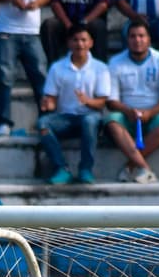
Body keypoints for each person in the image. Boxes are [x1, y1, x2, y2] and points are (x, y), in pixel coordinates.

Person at [104, 16, 159, 184]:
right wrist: (128, 111)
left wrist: (150, 112)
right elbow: (111, 100)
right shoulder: (115, 62)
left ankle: (130, 166)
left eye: (141, 36)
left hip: (154, 112)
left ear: (149, 39)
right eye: (133, 36)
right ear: (127, 39)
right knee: (112, 122)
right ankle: (145, 169)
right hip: (126, 113)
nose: (137, 40)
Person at [36, 20, 109, 184]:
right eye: (75, 40)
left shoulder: (100, 68)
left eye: (84, 40)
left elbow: (102, 103)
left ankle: (85, 169)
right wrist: (48, 104)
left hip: (90, 117)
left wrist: (87, 101)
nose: (80, 44)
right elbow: (52, 101)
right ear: (69, 43)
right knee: (43, 124)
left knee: (90, 121)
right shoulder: (57, 68)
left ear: (91, 43)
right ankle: (61, 168)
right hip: (65, 119)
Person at [0, 0, 51, 137]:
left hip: (31, 29)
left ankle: (46, 120)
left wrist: (37, 3)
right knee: (4, 76)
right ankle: (3, 121)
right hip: (6, 28)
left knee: (40, 75)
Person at [39, 0, 109, 64]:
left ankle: (100, 66)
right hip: (65, 21)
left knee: (99, 25)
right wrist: (68, 24)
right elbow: (55, 2)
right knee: (49, 25)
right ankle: (52, 65)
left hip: (88, 21)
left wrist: (84, 22)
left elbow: (103, 4)